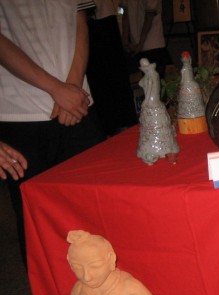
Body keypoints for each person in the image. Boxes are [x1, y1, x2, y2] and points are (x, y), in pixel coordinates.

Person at [0, 0, 105, 263]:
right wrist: (57, 89)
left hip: (79, 103)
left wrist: (72, 88)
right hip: (20, 111)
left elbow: (80, 19)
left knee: (93, 212)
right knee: (38, 224)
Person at [86, 0, 138, 137]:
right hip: (94, 22)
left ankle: (123, 129)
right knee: (102, 84)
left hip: (103, 21)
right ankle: (112, 130)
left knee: (115, 81)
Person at [121, 0, 171, 78]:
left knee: (145, 79)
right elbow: (149, 17)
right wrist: (140, 44)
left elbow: (125, 15)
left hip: (135, 43)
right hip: (154, 43)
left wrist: (125, 41)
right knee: (158, 80)